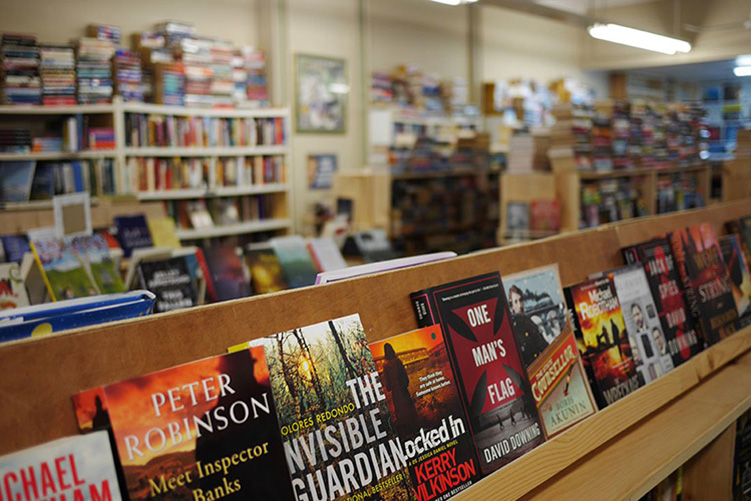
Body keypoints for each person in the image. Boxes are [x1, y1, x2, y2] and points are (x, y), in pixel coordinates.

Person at [381, 343, 418, 433]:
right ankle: (413, 421)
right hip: (402, 387)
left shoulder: (385, 365)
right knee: (407, 404)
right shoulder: (398, 361)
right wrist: (405, 383)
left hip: (395, 390)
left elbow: (386, 379)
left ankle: (405, 424)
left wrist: (389, 387)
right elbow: (404, 373)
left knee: (399, 406)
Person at [508, 285, 548, 367]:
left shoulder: (528, 321)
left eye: (520, 300)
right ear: (512, 306)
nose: (519, 305)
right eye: (516, 302)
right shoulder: (512, 329)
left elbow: (542, 344)